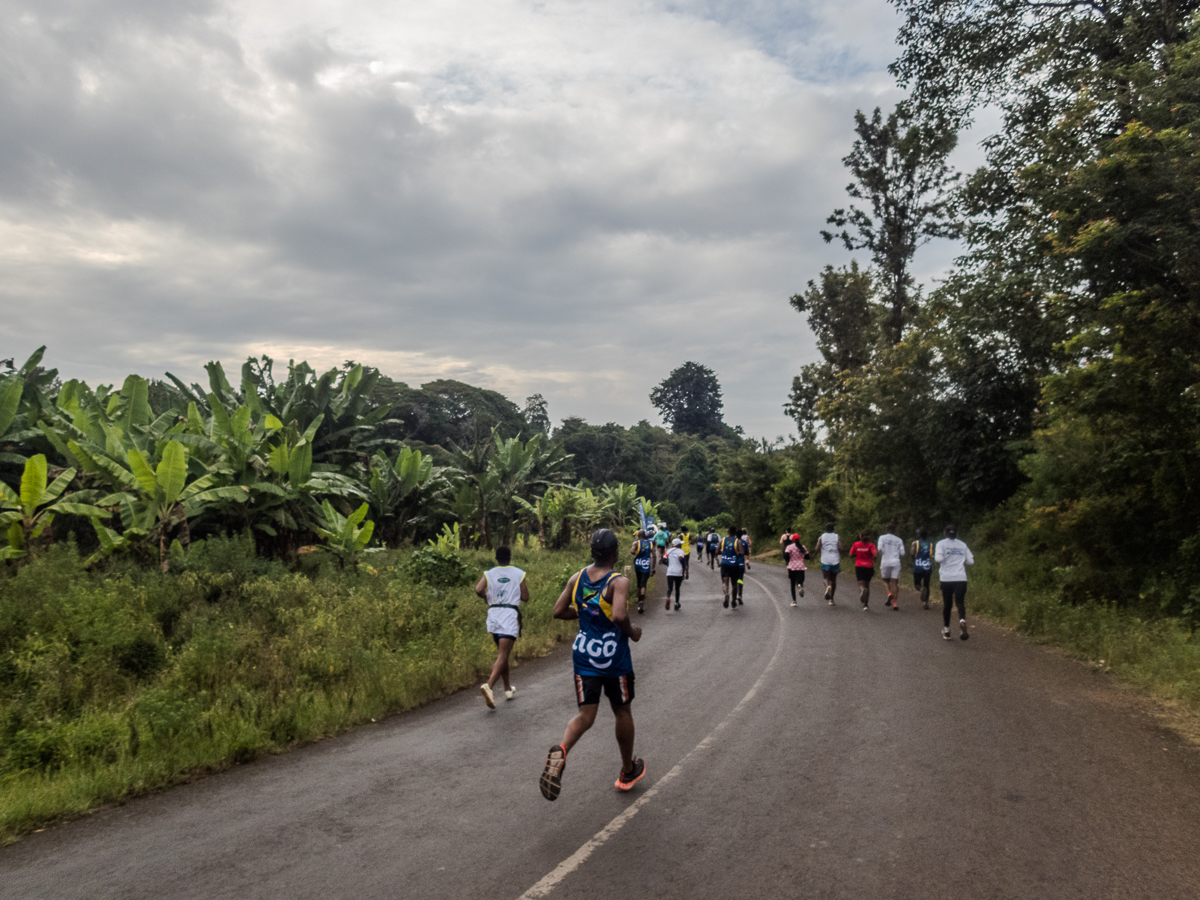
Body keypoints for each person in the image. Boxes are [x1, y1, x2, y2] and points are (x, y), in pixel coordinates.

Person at [539, 529, 645, 801]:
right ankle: (626, 771)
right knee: (622, 712)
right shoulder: (618, 582)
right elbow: (619, 614)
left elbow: (558, 611)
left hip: (584, 657)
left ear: (593, 552)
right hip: (613, 659)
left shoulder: (577, 578)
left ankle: (562, 750)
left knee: (585, 716)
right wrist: (632, 632)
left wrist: (586, 611)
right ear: (614, 553)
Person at [474, 546, 529, 708]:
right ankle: (489, 686)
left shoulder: (489, 573)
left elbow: (478, 589)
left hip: (494, 615)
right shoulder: (519, 573)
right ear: (510, 557)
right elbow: (525, 597)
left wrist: (486, 597)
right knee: (503, 654)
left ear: (496, 558)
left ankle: (507, 689)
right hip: (509, 615)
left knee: (502, 654)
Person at [935, 525, 975, 640]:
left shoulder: (941, 544)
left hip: (946, 578)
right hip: (961, 578)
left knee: (947, 605)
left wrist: (945, 556)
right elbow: (971, 561)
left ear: (945, 533)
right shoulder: (962, 545)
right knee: (960, 602)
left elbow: (938, 559)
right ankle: (962, 620)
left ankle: (946, 630)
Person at [877, 523, 905, 610]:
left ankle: (889, 593)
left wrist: (883, 553)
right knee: (895, 583)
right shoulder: (899, 540)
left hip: (885, 561)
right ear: (894, 530)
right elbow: (903, 553)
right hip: (896, 562)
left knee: (885, 580)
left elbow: (879, 549)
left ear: (887, 529)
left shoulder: (882, 538)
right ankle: (895, 603)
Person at [719, 526, 748, 609]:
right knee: (735, 583)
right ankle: (735, 599)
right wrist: (737, 553)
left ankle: (726, 594)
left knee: (725, 582)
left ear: (728, 531)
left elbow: (717, 551)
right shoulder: (738, 541)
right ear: (735, 533)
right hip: (735, 565)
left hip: (724, 563)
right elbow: (743, 553)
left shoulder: (723, 540)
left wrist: (724, 553)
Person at [848, 532, 878, 610]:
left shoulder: (856, 544)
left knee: (861, 582)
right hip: (869, 566)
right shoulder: (871, 545)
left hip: (859, 565)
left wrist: (857, 554)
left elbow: (850, 555)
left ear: (860, 537)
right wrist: (873, 558)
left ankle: (862, 589)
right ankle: (866, 605)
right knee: (867, 585)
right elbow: (875, 555)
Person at [815, 522, 843, 605]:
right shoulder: (837, 537)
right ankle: (831, 600)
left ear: (826, 529)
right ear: (833, 529)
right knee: (833, 580)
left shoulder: (821, 537)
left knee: (826, 578)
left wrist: (820, 547)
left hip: (825, 560)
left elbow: (816, 548)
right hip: (835, 560)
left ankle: (827, 587)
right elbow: (841, 547)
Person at [630, 530, 654, 615]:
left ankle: (638, 600)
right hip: (646, 565)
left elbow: (632, 551)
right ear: (645, 535)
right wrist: (653, 567)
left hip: (638, 565)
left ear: (638, 536)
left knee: (638, 583)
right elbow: (654, 555)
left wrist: (634, 547)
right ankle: (642, 600)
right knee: (643, 583)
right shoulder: (650, 543)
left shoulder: (636, 543)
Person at [782, 533, 808, 607]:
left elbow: (786, 555)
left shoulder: (789, 547)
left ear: (792, 540)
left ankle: (794, 601)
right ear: (799, 539)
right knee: (800, 580)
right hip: (800, 567)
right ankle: (800, 585)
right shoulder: (802, 547)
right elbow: (807, 556)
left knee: (792, 584)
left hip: (792, 567)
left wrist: (789, 560)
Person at [911, 528, 933, 609]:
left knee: (917, 584)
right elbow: (931, 555)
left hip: (918, 566)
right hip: (927, 566)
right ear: (926, 536)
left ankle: (921, 590)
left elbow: (912, 553)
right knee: (927, 585)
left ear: (919, 535)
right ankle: (925, 603)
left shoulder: (915, 543)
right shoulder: (930, 544)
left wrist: (913, 560)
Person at [664, 537, 686, 610]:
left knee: (670, 588)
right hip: (678, 572)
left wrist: (668, 565)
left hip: (670, 572)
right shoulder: (681, 551)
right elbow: (681, 558)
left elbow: (664, 559)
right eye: (680, 544)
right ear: (678, 545)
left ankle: (668, 597)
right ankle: (676, 603)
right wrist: (684, 566)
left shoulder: (668, 551)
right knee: (677, 588)